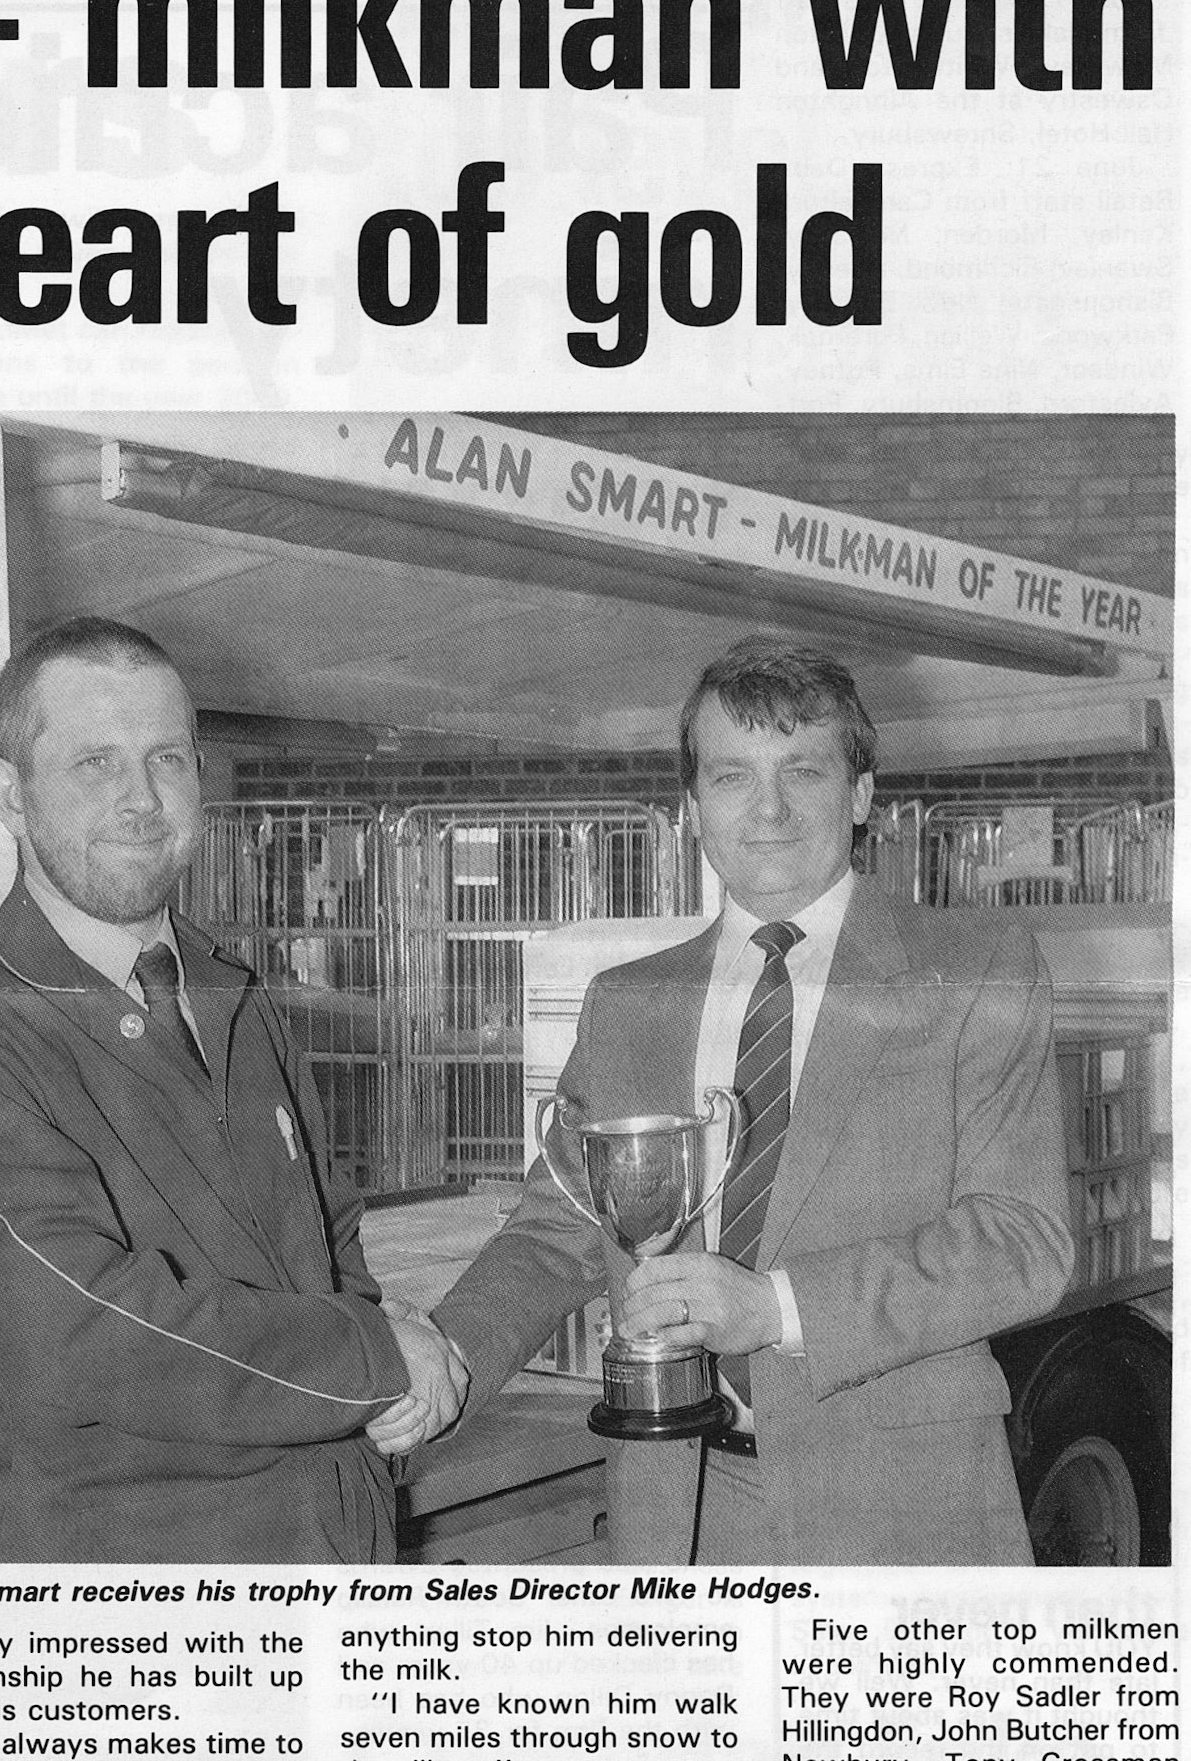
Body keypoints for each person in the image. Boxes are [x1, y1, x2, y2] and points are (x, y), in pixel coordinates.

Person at [432, 636, 1073, 1565]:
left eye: (802, 773)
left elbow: (1023, 1240)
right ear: (692, 806)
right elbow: (557, 1230)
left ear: (859, 795)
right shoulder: (629, 1002)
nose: (768, 810)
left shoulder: (974, 971)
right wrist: (441, 1364)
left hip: (902, 1507)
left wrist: (775, 1310)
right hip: (678, 1506)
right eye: (733, 777)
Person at [0, 616, 465, 1562]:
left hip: (328, 1532)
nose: (141, 800)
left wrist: (381, 1346)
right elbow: (72, 1334)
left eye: (167, 758)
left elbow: (327, 1238)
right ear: (10, 794)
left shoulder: (230, 993)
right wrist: (370, 1355)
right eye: (93, 765)